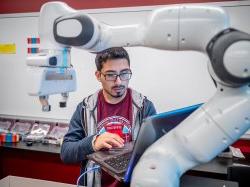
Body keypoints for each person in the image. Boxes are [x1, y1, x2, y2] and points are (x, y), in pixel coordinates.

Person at [60, 47, 156, 187]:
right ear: (98, 75)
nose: (119, 82)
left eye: (124, 73)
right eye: (111, 75)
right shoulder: (85, 108)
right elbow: (66, 153)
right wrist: (93, 143)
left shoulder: (144, 106)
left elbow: (156, 150)